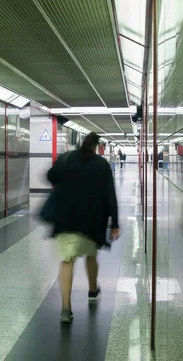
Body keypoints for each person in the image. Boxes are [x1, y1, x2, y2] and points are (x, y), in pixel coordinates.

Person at [47, 132, 120, 323]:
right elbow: (110, 194)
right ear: (96, 146)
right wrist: (115, 223)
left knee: (67, 260)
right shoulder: (102, 165)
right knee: (91, 255)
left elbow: (51, 177)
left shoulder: (67, 159)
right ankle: (92, 289)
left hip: (66, 219)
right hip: (91, 220)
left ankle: (65, 308)